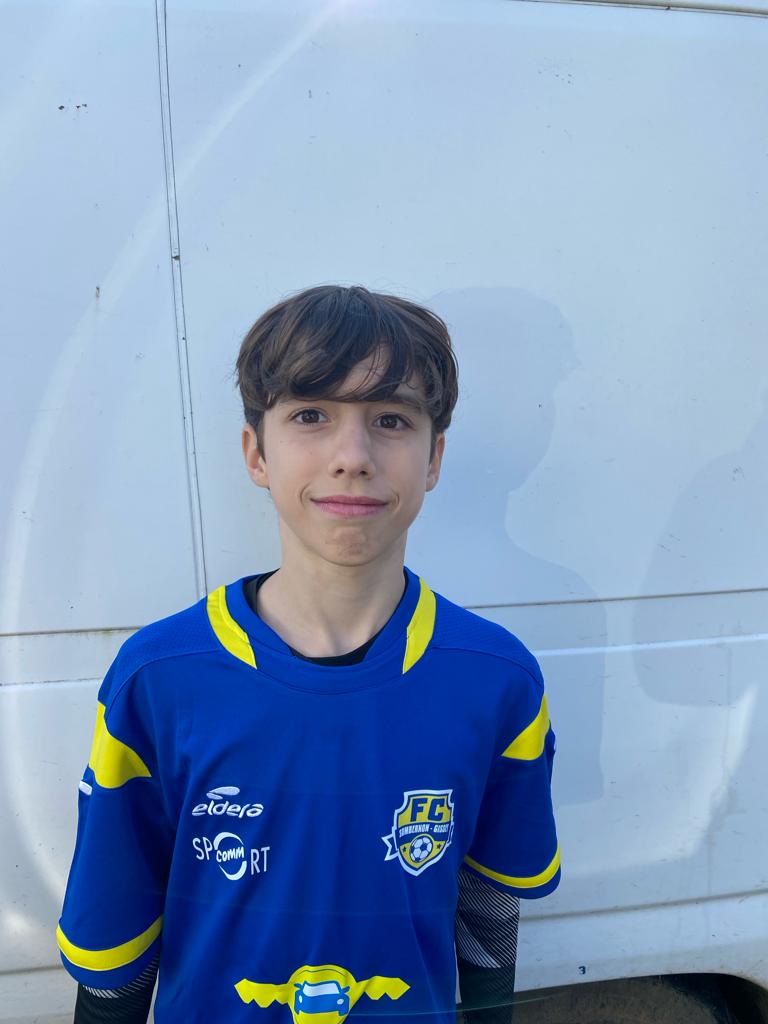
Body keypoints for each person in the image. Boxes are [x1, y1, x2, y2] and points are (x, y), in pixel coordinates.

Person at [56, 284, 560, 1024]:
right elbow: (114, 942)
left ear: (433, 458)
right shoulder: (158, 679)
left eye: (391, 420)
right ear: (256, 453)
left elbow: (489, 902)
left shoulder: (497, 680)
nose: (352, 457)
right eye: (311, 416)